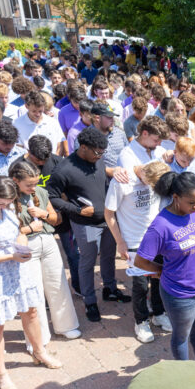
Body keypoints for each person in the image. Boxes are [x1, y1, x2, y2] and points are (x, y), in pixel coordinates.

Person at [47, 128, 132, 323]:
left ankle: (110, 289)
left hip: (107, 220)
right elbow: (51, 197)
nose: (100, 156)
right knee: (88, 261)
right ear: (83, 148)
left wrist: (112, 170)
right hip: (85, 224)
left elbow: (101, 172)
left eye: (102, 153)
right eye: (97, 152)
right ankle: (90, 300)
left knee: (109, 256)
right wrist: (76, 210)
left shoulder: (97, 158)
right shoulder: (64, 169)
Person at [0, 176, 61, 389]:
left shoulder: (8, 211)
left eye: (8, 203)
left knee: (30, 312)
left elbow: (20, 233)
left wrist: (22, 248)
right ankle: (2, 375)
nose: (5, 207)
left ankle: (39, 351)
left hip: (17, 269)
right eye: (0, 203)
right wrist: (10, 255)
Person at [134, 172, 195, 360]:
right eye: (191, 202)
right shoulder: (161, 226)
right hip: (179, 293)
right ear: (176, 197)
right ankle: (184, 376)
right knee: (181, 337)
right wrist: (160, 271)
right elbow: (140, 261)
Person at [10, 159, 81, 348]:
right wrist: (29, 229)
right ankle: (38, 337)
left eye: (36, 183)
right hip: (26, 246)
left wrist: (43, 214)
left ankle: (66, 325)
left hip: (48, 242)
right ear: (16, 180)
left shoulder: (41, 192)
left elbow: (57, 219)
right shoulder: (7, 198)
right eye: (29, 184)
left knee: (58, 284)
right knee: (34, 292)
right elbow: (5, 233)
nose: (34, 187)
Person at [104, 161, 173, 344]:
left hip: (157, 237)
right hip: (134, 241)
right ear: (145, 177)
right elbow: (109, 214)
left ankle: (158, 313)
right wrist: (120, 242)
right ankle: (141, 321)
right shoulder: (121, 182)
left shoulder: (157, 171)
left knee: (159, 278)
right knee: (141, 284)